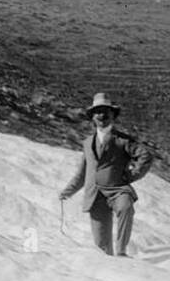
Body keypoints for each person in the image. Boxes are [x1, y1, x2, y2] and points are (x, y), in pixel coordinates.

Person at [59, 93, 155, 257]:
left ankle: (122, 250)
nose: (102, 115)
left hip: (118, 189)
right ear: (92, 117)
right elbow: (83, 173)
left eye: (106, 111)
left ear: (113, 115)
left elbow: (145, 156)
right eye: (98, 112)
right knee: (101, 247)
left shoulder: (123, 140)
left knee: (126, 208)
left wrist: (131, 175)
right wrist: (67, 192)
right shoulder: (88, 142)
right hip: (95, 195)